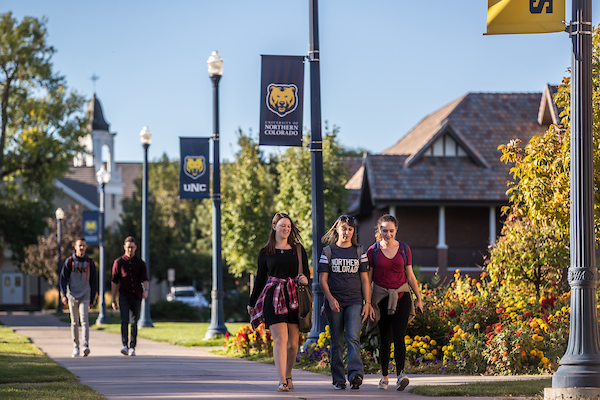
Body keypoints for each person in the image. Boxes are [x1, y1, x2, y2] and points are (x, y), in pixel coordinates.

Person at [247, 212, 309, 392]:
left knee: (293, 343)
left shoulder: (298, 249)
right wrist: (252, 302)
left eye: (288, 226)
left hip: (294, 297)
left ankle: (288, 374)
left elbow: (306, 274)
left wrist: (305, 279)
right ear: (274, 227)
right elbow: (260, 279)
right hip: (273, 297)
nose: (286, 229)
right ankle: (282, 380)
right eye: (282, 225)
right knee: (280, 339)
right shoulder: (265, 252)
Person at [367, 214, 423, 391]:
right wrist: (367, 303)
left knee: (399, 336)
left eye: (391, 231)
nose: (388, 234)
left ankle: (400, 375)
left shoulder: (404, 249)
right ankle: (384, 377)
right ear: (379, 230)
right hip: (381, 297)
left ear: (396, 230)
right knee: (385, 338)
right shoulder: (373, 251)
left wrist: (419, 299)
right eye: (384, 230)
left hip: (402, 295)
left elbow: (410, 276)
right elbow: (368, 281)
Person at [318, 215, 372, 390]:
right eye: (343, 228)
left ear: (353, 231)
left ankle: (355, 374)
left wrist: (367, 302)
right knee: (337, 341)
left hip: (355, 301)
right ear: (337, 230)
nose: (346, 232)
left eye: (350, 229)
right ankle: (339, 379)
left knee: (353, 338)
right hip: (334, 302)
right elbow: (322, 281)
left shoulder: (360, 252)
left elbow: (365, 280)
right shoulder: (328, 252)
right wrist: (331, 299)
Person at [60, 238, 98, 357]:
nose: (82, 248)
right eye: (79, 245)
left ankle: (85, 345)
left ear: (86, 247)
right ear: (75, 247)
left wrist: (92, 298)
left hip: (85, 294)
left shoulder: (90, 262)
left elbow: (94, 281)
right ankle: (76, 347)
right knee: (74, 322)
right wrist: (63, 294)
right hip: (72, 295)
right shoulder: (70, 261)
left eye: (83, 246)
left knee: (84, 319)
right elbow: (62, 279)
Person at [111, 236, 149, 357]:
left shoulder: (140, 263)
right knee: (124, 320)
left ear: (135, 248)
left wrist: (146, 290)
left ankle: (132, 346)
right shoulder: (119, 262)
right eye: (128, 247)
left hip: (136, 295)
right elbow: (114, 281)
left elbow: (145, 279)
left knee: (134, 322)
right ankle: (124, 345)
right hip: (123, 295)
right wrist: (113, 299)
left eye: (132, 247)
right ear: (124, 247)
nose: (130, 250)